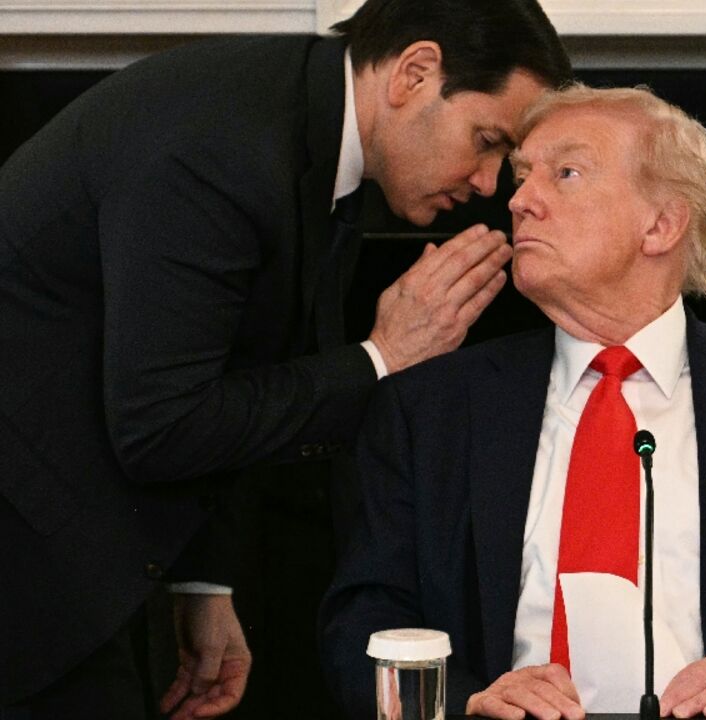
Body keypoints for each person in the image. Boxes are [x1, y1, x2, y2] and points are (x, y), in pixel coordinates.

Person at [0, 0, 571, 717]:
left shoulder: (310, 124)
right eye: (486, 140)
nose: (491, 185)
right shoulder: (219, 150)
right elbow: (162, 423)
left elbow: (241, 368)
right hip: (29, 565)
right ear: (415, 73)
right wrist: (382, 357)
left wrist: (204, 584)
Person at [320, 84, 706, 719]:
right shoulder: (430, 408)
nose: (522, 200)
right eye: (523, 176)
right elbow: (360, 623)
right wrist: (467, 698)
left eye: (566, 173)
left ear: (661, 224)